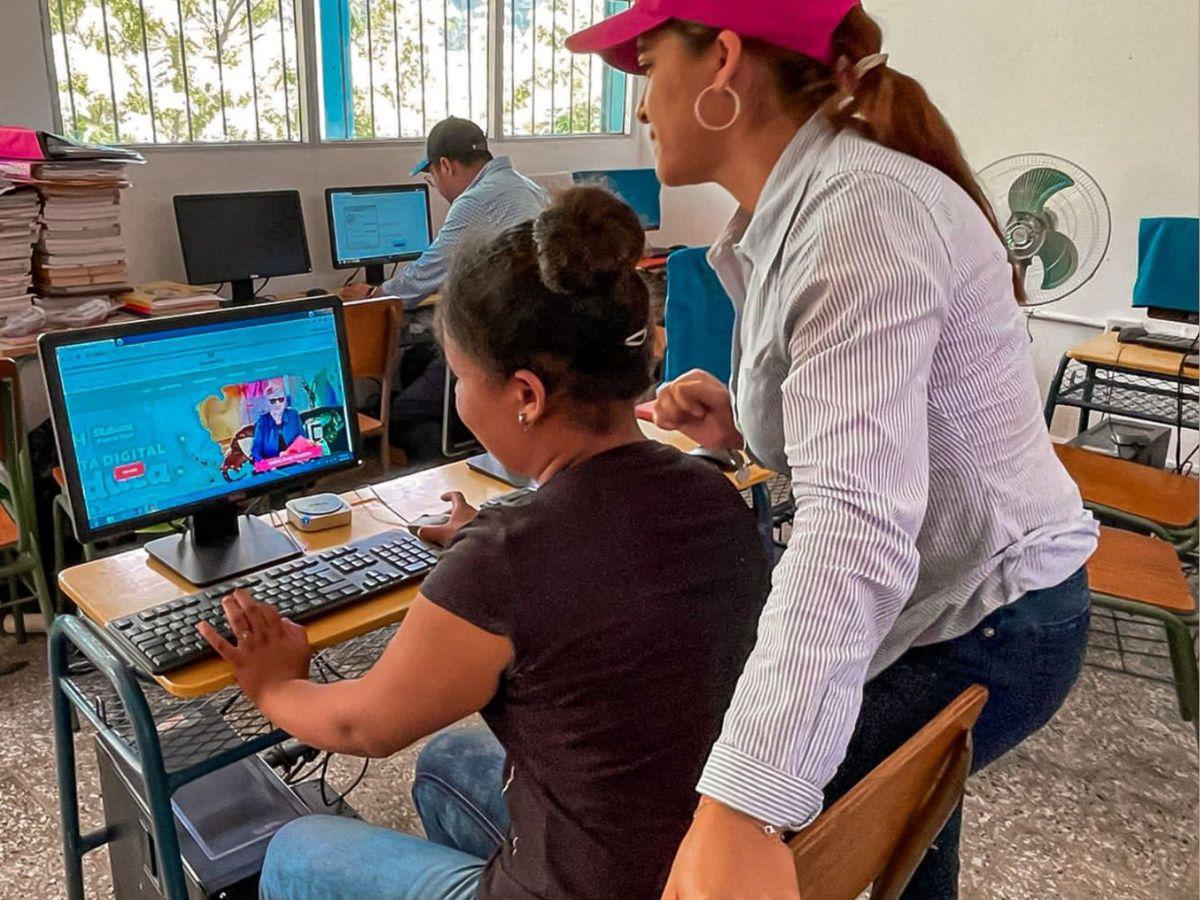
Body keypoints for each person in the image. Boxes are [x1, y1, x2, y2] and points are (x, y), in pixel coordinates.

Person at [566, 3, 1099, 898]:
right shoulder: (808, 207)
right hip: (966, 598)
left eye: (648, 66)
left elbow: (856, 523)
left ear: (723, 63)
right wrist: (743, 425)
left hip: (994, 617)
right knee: (907, 839)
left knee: (714, 830)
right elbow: (882, 428)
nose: (642, 108)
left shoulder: (859, 215)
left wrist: (739, 809)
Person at [201, 187, 771, 899]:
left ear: (526, 394)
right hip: (701, 861)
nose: (461, 402)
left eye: (463, 379)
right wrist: (483, 539)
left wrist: (271, 683)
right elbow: (602, 568)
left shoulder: (509, 558)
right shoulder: (711, 488)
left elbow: (361, 724)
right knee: (446, 763)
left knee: (297, 849)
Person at [343, 117, 548, 459]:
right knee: (417, 360)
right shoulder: (526, 187)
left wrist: (373, 295)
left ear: (446, 166)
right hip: (533, 339)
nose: (436, 185)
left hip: (502, 347)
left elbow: (420, 279)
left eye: (432, 177)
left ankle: (446, 476)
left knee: (402, 414)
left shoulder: (475, 200)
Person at [249, 379, 303, 463]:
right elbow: (255, 452)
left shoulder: (293, 415)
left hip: (296, 462)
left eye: (281, 399)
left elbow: (303, 440)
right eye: (273, 401)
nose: (278, 404)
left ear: (285, 400)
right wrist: (267, 466)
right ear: (267, 402)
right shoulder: (262, 421)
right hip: (273, 467)